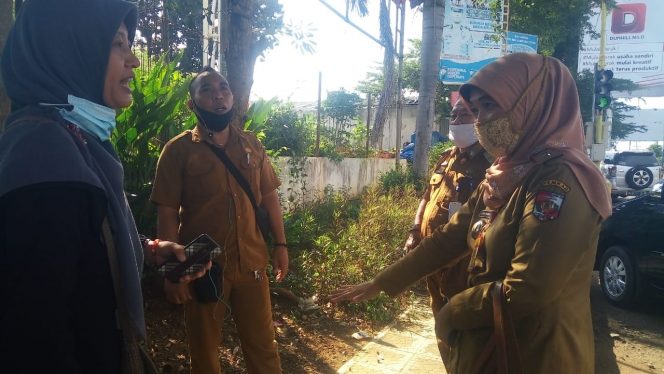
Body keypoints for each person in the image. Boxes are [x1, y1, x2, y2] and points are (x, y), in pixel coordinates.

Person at [331, 53, 612, 374]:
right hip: (488, 342)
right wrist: (384, 282)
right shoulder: (506, 173)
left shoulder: (559, 182)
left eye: (491, 106)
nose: (481, 122)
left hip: (534, 353)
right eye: (477, 110)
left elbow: (528, 289)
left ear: (533, 103)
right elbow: (449, 238)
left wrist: (454, 311)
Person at [0, 0, 207, 372]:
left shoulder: (75, 140)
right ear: (67, 48)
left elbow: (79, 247)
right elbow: (35, 335)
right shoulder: (44, 159)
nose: (134, 61)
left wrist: (149, 249)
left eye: (130, 44)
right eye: (117, 44)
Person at [150, 66, 289, 373]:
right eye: (207, 90)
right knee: (204, 352)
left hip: (251, 262)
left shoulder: (252, 145)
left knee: (263, 346)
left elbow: (269, 197)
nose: (218, 95)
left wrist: (280, 244)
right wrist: (172, 273)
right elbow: (168, 212)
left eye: (223, 88)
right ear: (193, 103)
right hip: (202, 267)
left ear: (233, 98)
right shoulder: (178, 151)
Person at [402, 96, 491, 366]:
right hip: (435, 262)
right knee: (440, 325)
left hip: (465, 266)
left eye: (464, 115)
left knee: (465, 332)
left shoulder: (492, 163)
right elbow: (426, 197)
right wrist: (415, 230)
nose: (456, 121)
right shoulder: (446, 159)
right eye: (453, 115)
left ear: (479, 120)